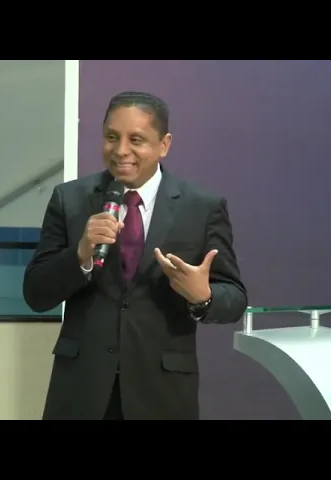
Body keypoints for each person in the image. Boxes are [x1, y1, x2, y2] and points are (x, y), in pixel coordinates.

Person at [22, 91, 247, 420]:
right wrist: (81, 254)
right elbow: (36, 293)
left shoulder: (201, 208)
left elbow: (235, 298)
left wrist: (204, 297)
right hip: (81, 391)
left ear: (164, 145)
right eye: (112, 137)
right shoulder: (69, 199)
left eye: (136, 139)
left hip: (162, 393)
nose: (120, 150)